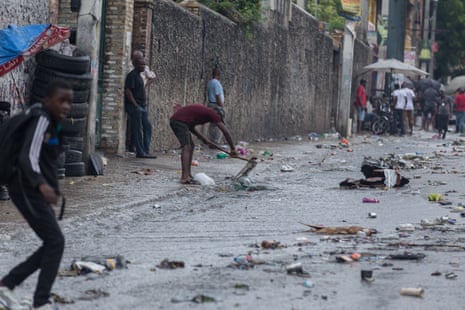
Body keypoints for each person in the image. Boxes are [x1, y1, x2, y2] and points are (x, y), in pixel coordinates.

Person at [0, 80, 72, 310]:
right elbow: (28, 157)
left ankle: (7, 284)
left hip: (32, 189)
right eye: (61, 100)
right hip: (25, 188)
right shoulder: (41, 118)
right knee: (55, 241)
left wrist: (51, 187)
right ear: (47, 100)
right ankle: (40, 301)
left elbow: (45, 158)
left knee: (52, 243)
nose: (67, 106)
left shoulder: (52, 123)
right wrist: (42, 186)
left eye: (69, 101)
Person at [170, 104, 237, 184]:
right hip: (178, 122)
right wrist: (233, 149)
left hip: (179, 121)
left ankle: (188, 175)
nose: (215, 122)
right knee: (187, 147)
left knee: (191, 146)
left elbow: (191, 127)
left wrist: (205, 140)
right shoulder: (213, 113)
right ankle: (184, 177)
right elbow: (225, 132)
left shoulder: (205, 113)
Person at [124, 54, 156, 158]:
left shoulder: (139, 76)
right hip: (136, 107)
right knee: (137, 129)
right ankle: (140, 152)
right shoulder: (132, 76)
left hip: (142, 106)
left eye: (144, 64)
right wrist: (135, 105)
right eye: (141, 64)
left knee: (147, 126)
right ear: (135, 64)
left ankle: (145, 150)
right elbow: (128, 91)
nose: (143, 66)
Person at [207, 68, 225, 144]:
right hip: (216, 105)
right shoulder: (217, 83)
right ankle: (216, 142)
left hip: (211, 104)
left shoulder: (210, 83)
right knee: (219, 123)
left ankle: (212, 140)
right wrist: (221, 106)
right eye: (220, 74)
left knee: (212, 124)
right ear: (217, 74)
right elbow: (217, 95)